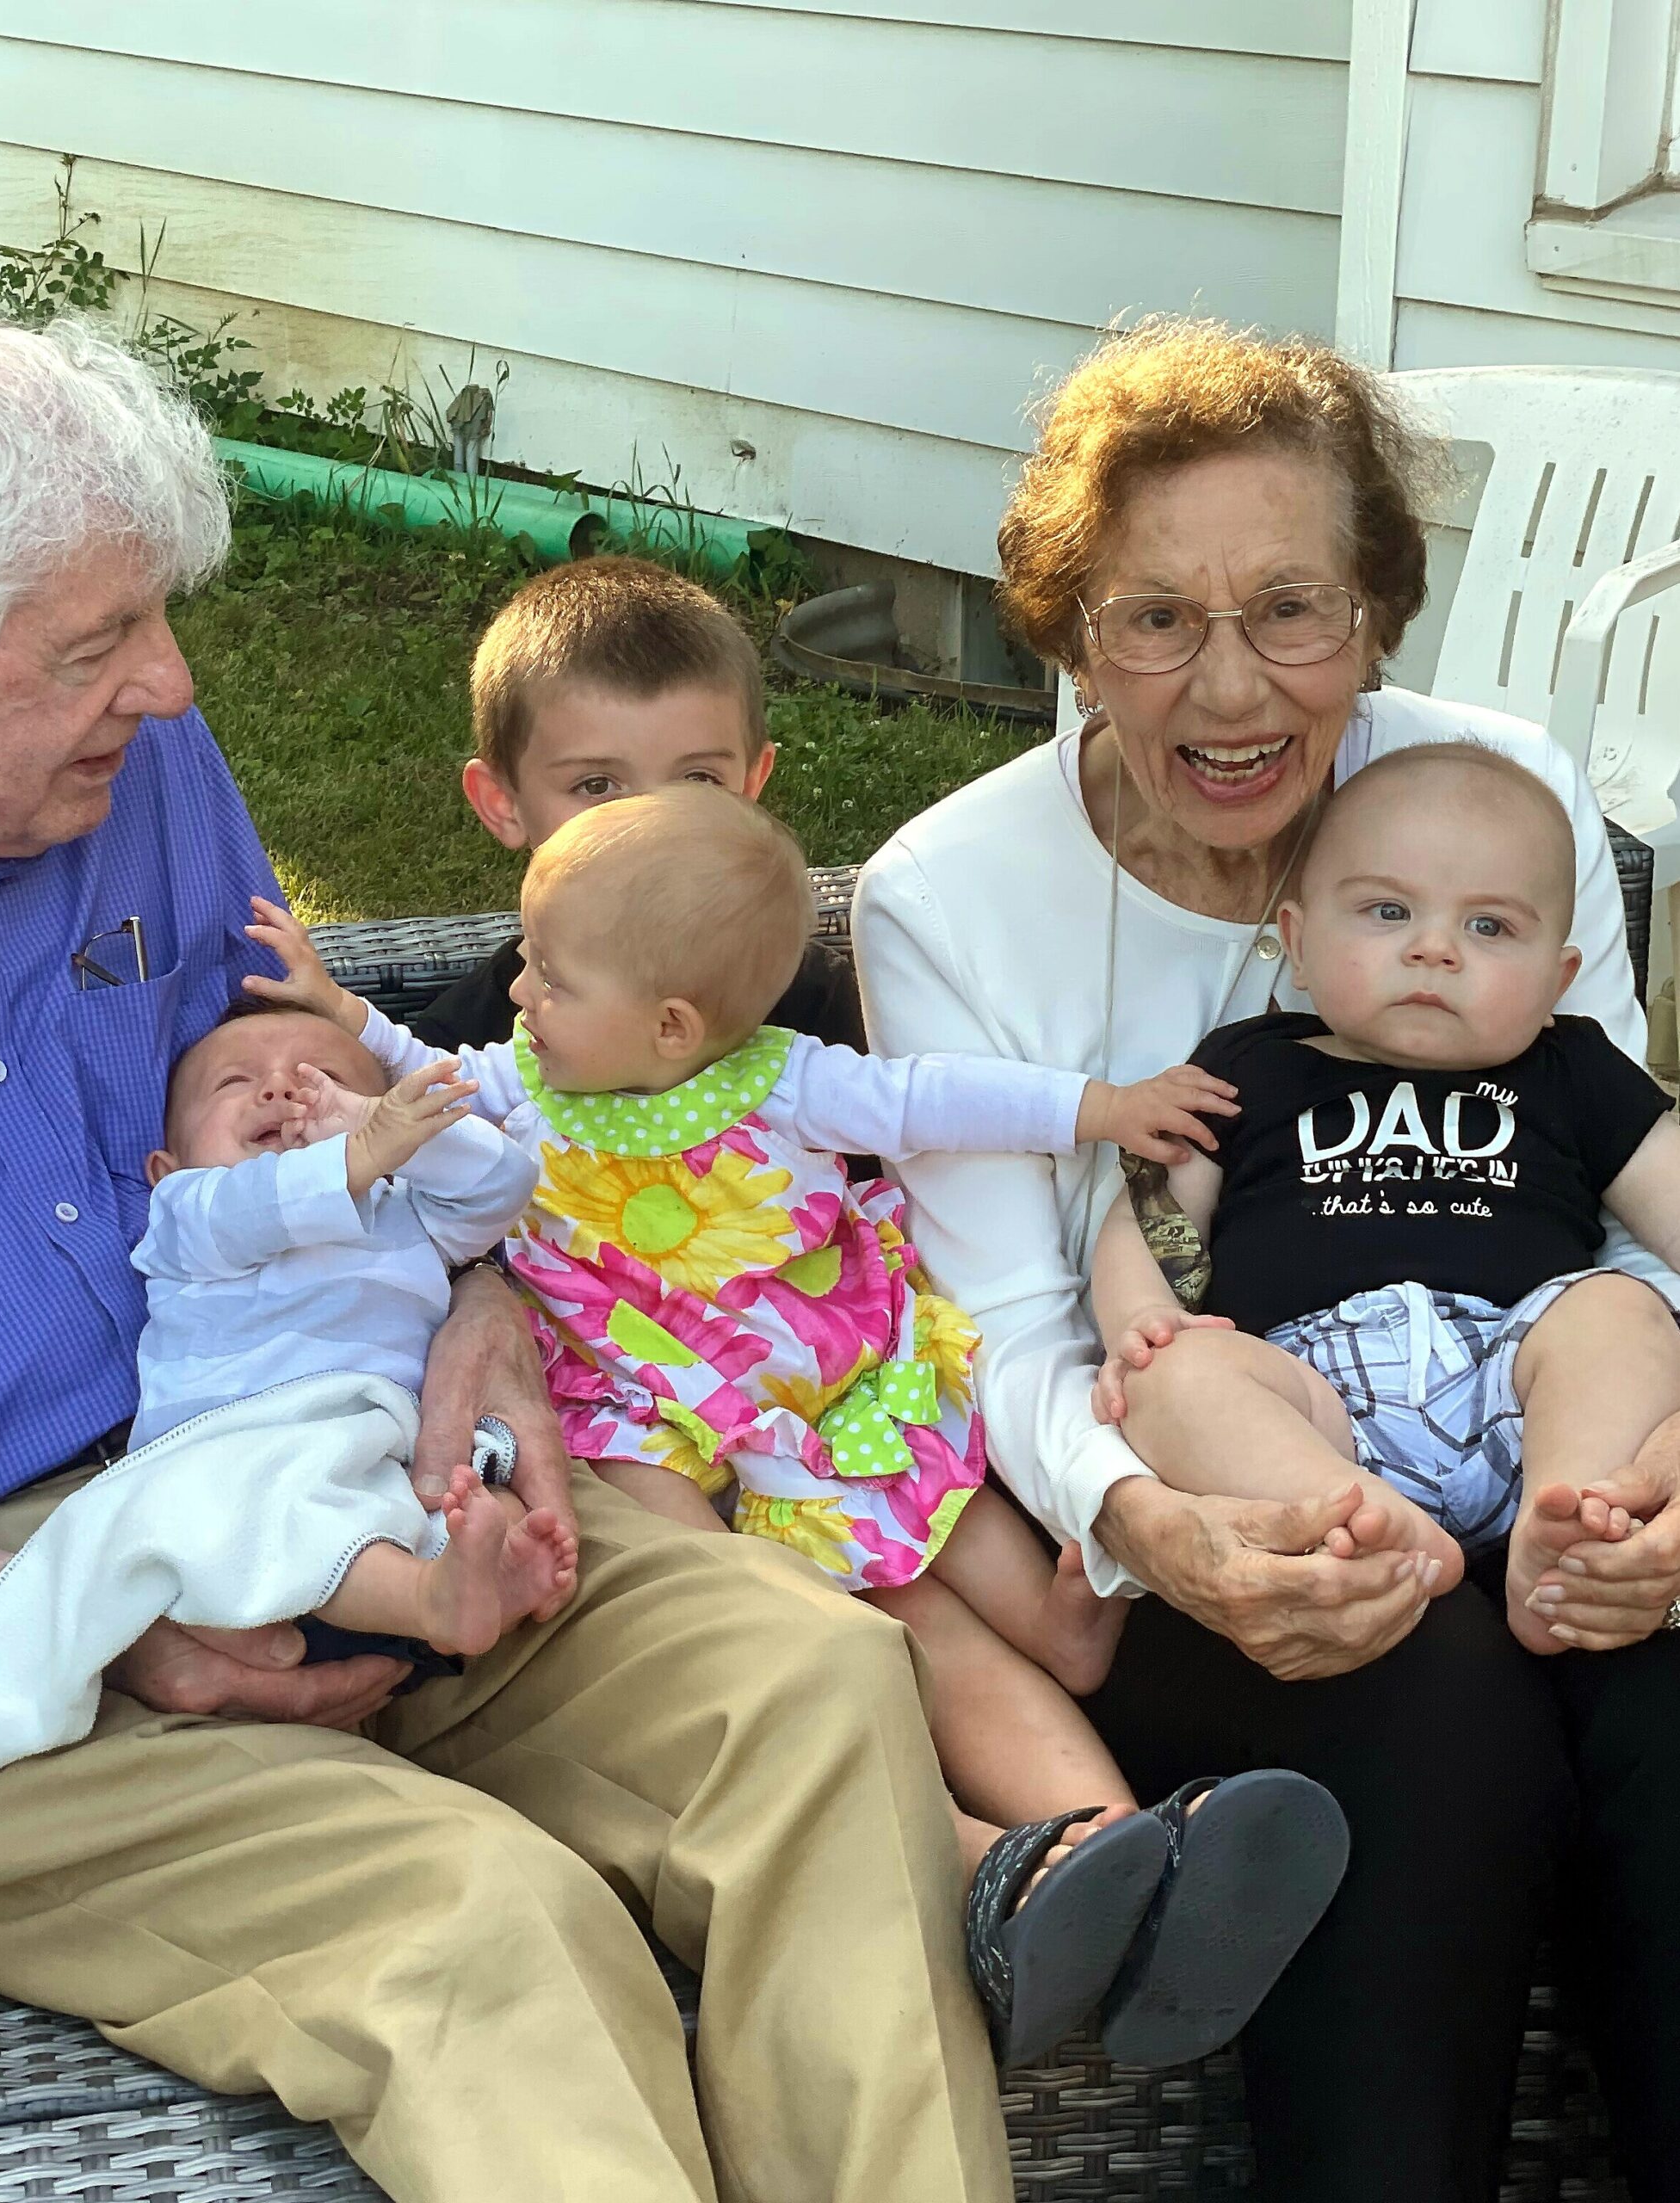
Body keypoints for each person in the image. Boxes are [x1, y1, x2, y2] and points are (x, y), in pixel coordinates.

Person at [0, 306, 1020, 2203]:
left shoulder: (126, 766)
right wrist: (72, 1601)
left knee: (814, 1687)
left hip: (358, 1464)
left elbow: (314, 1070)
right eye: (96, 644)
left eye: (157, 619)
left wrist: (477, 1293)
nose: (166, 683)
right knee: (480, 1923)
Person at [854, 313, 1680, 2203]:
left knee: (1662, 1671)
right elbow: (1014, 1333)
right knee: (1430, 1699)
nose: (1228, 686)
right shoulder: (950, 900)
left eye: (1291, 608)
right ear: (1072, 639)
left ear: (1376, 614)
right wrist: (1162, 1530)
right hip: (1203, 1503)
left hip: (1551, 1443)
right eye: (1155, 618)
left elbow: (1630, 1224)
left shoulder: (1501, 799)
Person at [249, 782, 1350, 2071]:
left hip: (821, 1396)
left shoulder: (787, 1082)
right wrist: (342, 1018)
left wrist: (1099, 1107)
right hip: (654, 1429)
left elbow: (937, 1098)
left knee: (932, 1607)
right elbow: (421, 1080)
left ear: (670, 1023)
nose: (519, 993)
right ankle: (1069, 1848)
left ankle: (1120, 1852)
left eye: (549, 974)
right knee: (772, 1618)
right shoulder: (522, 1088)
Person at [1091, 744, 1680, 1657]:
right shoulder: (1249, 1063)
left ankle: (1568, 1529)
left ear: (1558, 980)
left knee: (1617, 1311)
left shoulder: (1573, 1068)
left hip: (1516, 1375)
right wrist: (1139, 1316)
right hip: (1307, 1394)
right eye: (1388, 911)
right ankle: (1359, 1521)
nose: (1432, 949)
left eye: (1489, 927)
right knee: (1168, 1376)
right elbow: (1153, 1209)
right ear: (1297, 941)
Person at [0, 1002, 574, 1777]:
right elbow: (258, 1209)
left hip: (393, 1446)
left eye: (323, 1077)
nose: (282, 1091)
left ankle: (490, 1580)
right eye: (236, 1083)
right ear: (164, 1167)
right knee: (298, 1510)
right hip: (247, 1452)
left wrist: (374, 1130)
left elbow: (502, 1182)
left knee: (482, 1498)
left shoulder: (403, 1214)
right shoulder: (188, 1215)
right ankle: (430, 1596)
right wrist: (356, 1150)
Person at [409, 554, 864, 1053]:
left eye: (699, 780)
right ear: (503, 804)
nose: (654, 826)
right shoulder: (460, 1049)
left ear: (751, 787)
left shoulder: (817, 1003)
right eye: (597, 786)